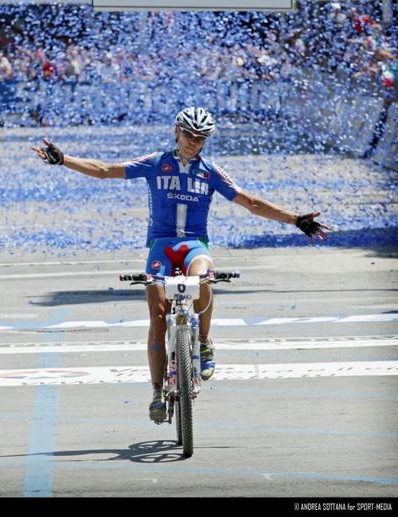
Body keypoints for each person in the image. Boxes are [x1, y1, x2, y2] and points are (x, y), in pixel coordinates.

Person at [32, 106, 329, 423]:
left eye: (201, 138)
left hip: (193, 246)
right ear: (177, 130)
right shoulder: (156, 163)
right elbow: (105, 170)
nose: (193, 143)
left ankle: (203, 343)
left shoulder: (210, 170)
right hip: (161, 247)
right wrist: (64, 160)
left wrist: (295, 220)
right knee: (158, 318)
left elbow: (251, 202)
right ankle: (157, 392)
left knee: (204, 276)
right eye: (189, 135)